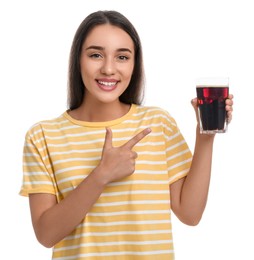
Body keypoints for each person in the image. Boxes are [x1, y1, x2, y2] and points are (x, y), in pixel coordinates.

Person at [20, 10, 234, 260]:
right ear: (78, 60)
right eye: (96, 55)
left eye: (122, 57)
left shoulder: (157, 123)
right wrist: (101, 175)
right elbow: (46, 235)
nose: (109, 68)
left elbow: (190, 214)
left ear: (134, 64)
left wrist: (205, 133)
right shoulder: (43, 136)